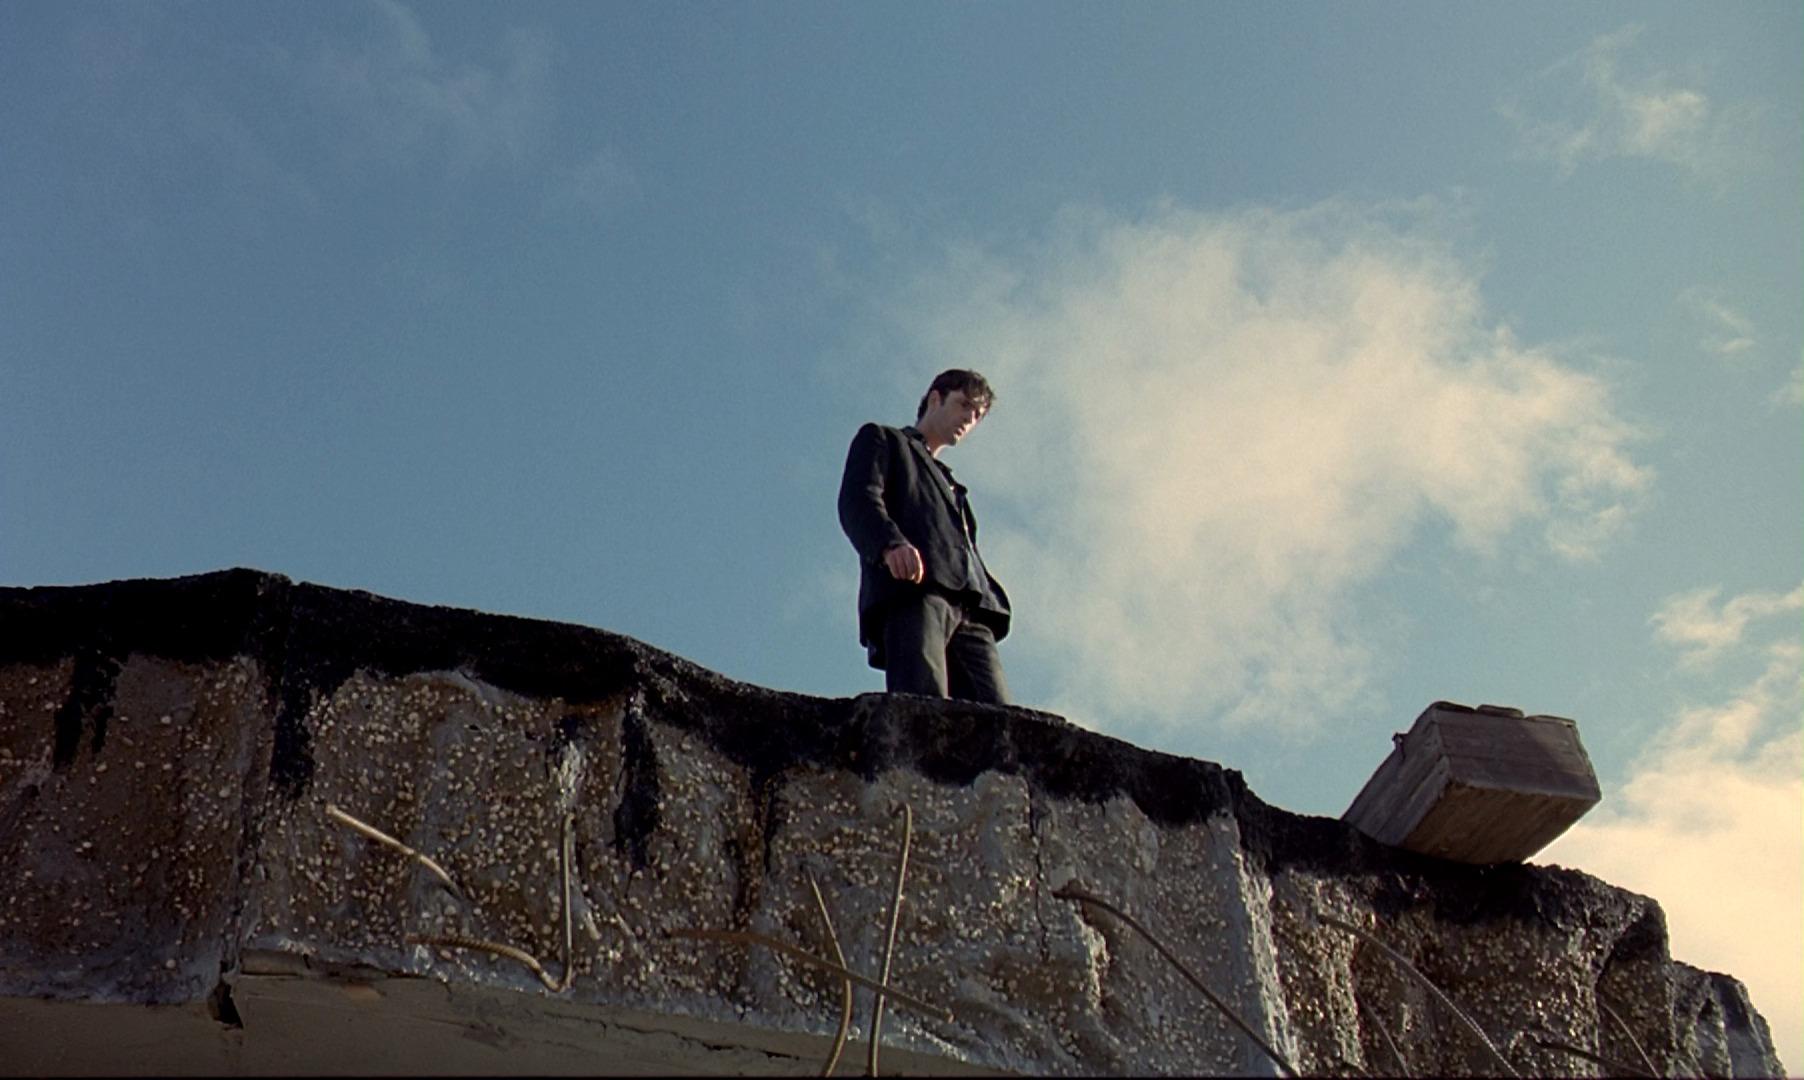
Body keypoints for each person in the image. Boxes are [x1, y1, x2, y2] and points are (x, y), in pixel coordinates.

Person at [837, 369, 1012, 704]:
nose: (969, 419)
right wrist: (890, 544)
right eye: (964, 405)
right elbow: (858, 500)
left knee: (1001, 718)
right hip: (914, 590)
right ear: (935, 399)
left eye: (977, 415)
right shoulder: (884, 440)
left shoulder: (954, 487)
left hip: (971, 603)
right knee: (924, 704)